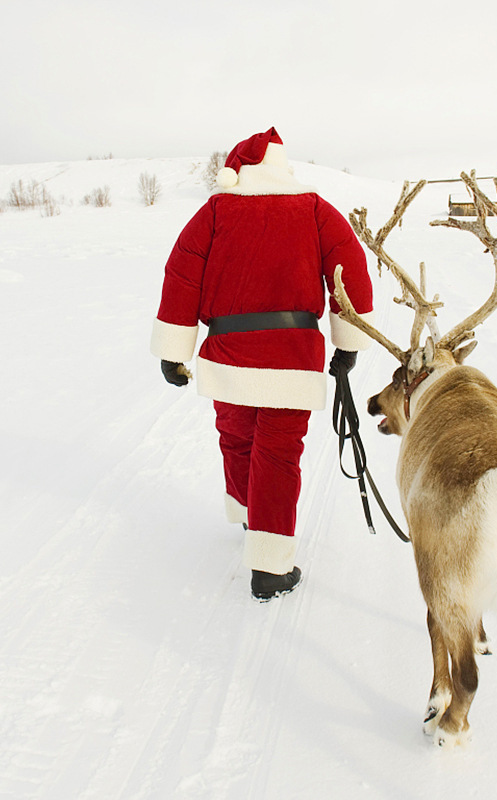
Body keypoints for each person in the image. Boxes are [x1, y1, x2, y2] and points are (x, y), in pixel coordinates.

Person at [150, 127, 374, 600]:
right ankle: (271, 568)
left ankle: (254, 516)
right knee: (277, 453)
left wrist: (174, 351)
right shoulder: (313, 208)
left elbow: (183, 271)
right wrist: (348, 342)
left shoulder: (215, 211)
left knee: (236, 435)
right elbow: (348, 266)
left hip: (228, 354)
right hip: (291, 357)